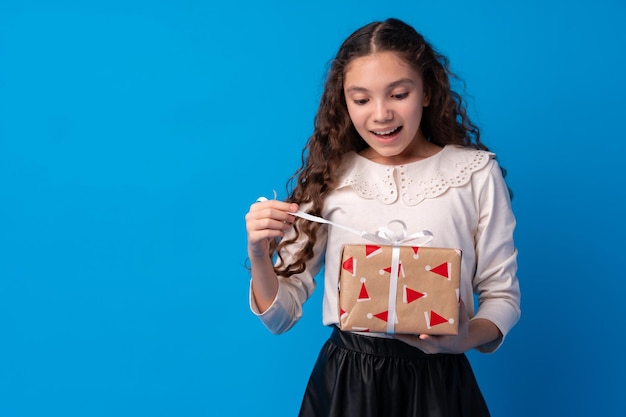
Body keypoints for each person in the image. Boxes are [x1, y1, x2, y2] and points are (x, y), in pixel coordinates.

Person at [245, 17, 520, 417]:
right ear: (344, 102)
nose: (381, 114)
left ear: (426, 91)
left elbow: (503, 297)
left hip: (440, 383)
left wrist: (460, 339)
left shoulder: (475, 172)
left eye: (399, 94)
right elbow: (280, 317)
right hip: (346, 384)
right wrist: (258, 254)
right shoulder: (331, 177)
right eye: (361, 100)